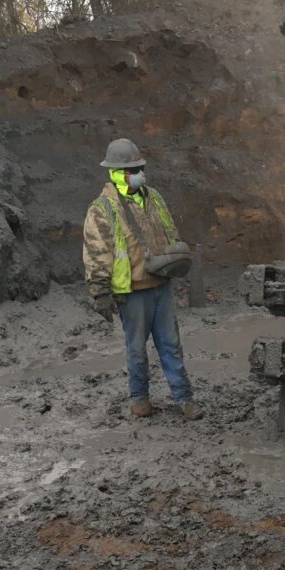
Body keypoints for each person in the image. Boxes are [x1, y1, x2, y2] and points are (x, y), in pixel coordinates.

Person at [83, 138, 202, 420]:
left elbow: (170, 233)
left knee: (171, 344)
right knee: (136, 350)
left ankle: (183, 398)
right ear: (117, 173)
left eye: (140, 167)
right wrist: (100, 291)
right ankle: (140, 401)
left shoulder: (154, 198)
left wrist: (175, 263)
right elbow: (96, 251)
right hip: (133, 291)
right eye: (133, 169)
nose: (139, 173)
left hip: (160, 284)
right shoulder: (102, 209)